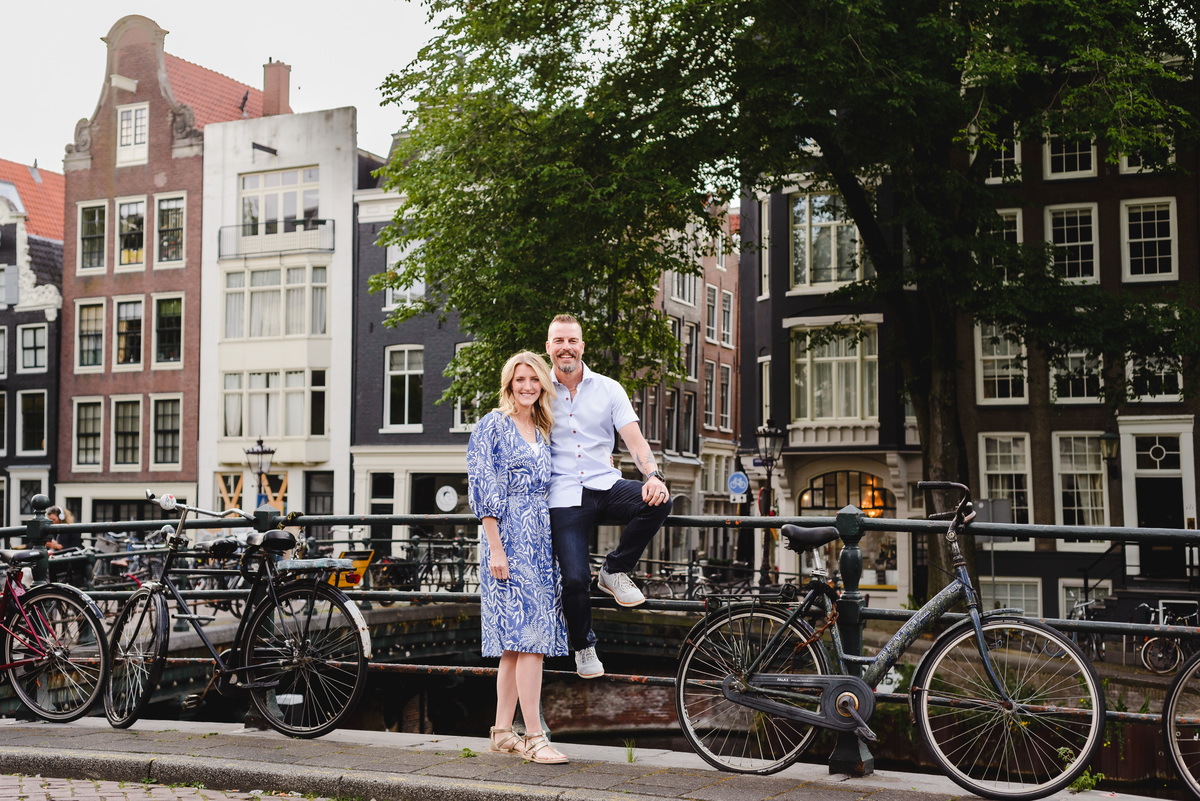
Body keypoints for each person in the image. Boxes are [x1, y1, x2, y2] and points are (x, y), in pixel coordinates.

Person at [544, 314, 672, 679]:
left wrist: (652, 475)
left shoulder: (609, 389)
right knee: (572, 578)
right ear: (549, 347)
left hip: (605, 483)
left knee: (659, 501)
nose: (566, 347)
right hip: (564, 493)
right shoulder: (538, 390)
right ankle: (584, 646)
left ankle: (615, 570)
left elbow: (634, 440)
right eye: (559, 341)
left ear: (582, 346)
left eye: (572, 340)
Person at [467, 350, 570, 765]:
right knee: (530, 641)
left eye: (533, 380)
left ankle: (501, 732)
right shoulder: (492, 425)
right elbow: (482, 485)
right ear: (509, 384)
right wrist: (495, 547)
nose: (527, 386)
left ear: (542, 384)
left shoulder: (543, 428)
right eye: (519, 380)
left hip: (539, 540)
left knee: (516, 644)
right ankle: (534, 737)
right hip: (506, 537)